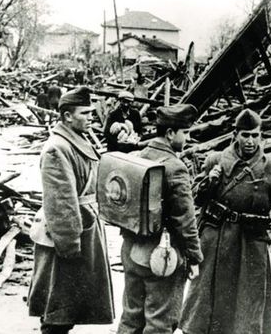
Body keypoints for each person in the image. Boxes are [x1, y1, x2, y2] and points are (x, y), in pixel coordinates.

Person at [180, 108, 271, 334]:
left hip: (251, 246)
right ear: (235, 134)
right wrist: (210, 181)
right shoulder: (215, 161)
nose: (250, 141)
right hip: (216, 240)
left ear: (261, 136)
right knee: (207, 304)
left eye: (255, 135)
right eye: (245, 135)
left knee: (247, 308)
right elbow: (196, 198)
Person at [28, 87, 114, 333]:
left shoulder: (75, 140)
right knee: (59, 311)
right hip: (67, 238)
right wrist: (69, 244)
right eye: (85, 113)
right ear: (67, 116)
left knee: (69, 306)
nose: (91, 117)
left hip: (82, 228)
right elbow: (60, 202)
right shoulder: (58, 148)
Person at [118, 104, 203, 334]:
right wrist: (194, 257)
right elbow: (185, 220)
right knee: (161, 322)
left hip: (132, 250)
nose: (188, 137)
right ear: (170, 134)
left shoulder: (138, 156)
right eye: (185, 132)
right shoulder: (176, 167)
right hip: (163, 256)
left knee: (131, 317)